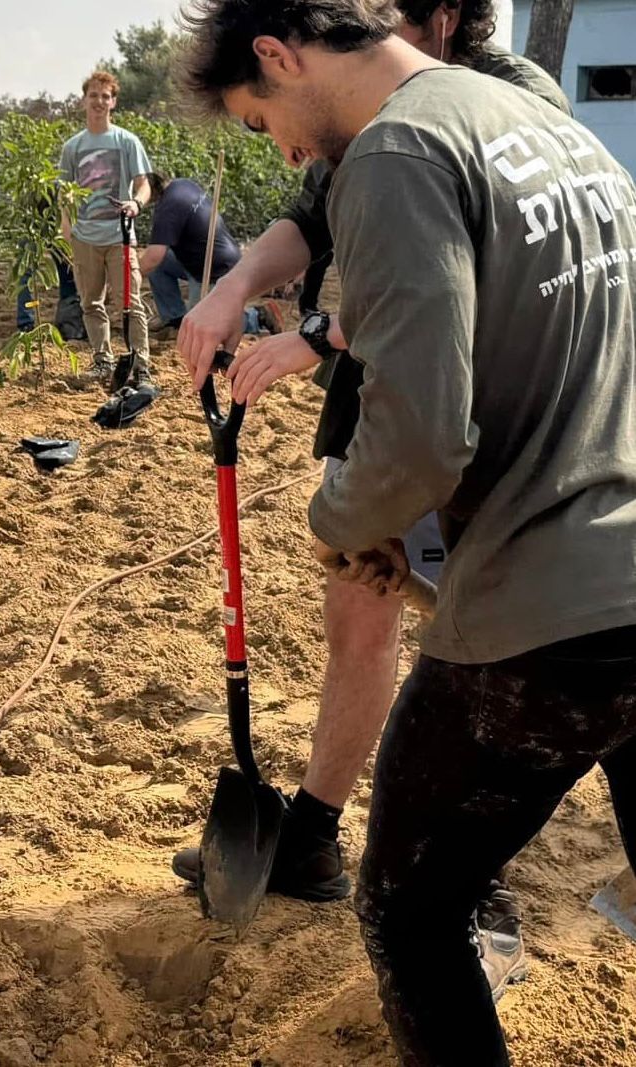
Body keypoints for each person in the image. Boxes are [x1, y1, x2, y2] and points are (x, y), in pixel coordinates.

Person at [178, 0, 636, 1061]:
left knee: (409, 905)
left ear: (279, 55)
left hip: (551, 608)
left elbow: (423, 431)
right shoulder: (536, 121)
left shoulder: (393, 153)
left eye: (262, 120)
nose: (285, 151)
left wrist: (341, 520)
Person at [59, 70, 153, 383]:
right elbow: (64, 192)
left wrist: (136, 203)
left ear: (113, 102)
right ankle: (102, 360)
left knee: (131, 301)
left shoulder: (127, 141)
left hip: (119, 236)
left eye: (105, 96)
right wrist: (66, 226)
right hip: (84, 237)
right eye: (94, 96)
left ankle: (140, 365)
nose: (99, 101)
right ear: (84, 101)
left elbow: (144, 183)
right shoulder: (72, 147)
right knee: (90, 303)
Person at [136, 171, 283, 340]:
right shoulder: (182, 185)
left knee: (203, 326)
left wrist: (131, 277)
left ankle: (257, 317)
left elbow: (153, 257)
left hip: (211, 268)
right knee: (161, 265)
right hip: (210, 256)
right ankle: (174, 319)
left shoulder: (168, 208)